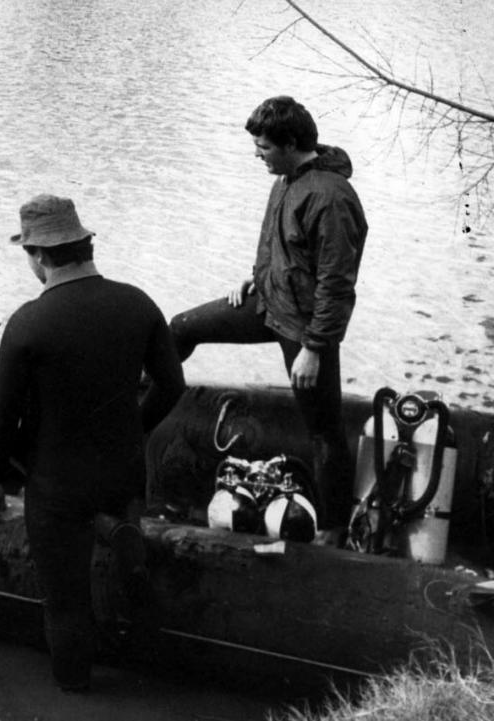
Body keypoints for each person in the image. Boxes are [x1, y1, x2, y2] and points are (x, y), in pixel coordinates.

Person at [0, 194, 186, 692]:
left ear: (41, 256)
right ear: (85, 246)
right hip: (123, 469)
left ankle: (75, 692)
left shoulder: (28, 323)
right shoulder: (137, 303)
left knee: (66, 603)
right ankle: (119, 533)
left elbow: (2, 417)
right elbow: (172, 385)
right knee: (114, 529)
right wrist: (134, 427)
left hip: (57, 482)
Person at [168, 96, 368, 537]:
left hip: (305, 327)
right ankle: (145, 407)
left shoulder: (331, 199)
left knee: (324, 431)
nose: (256, 154)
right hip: (268, 303)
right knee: (182, 327)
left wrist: (314, 349)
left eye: (262, 146)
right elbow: (286, 249)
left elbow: (336, 284)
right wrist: (255, 279)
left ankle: (333, 532)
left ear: (290, 143)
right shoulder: (286, 178)